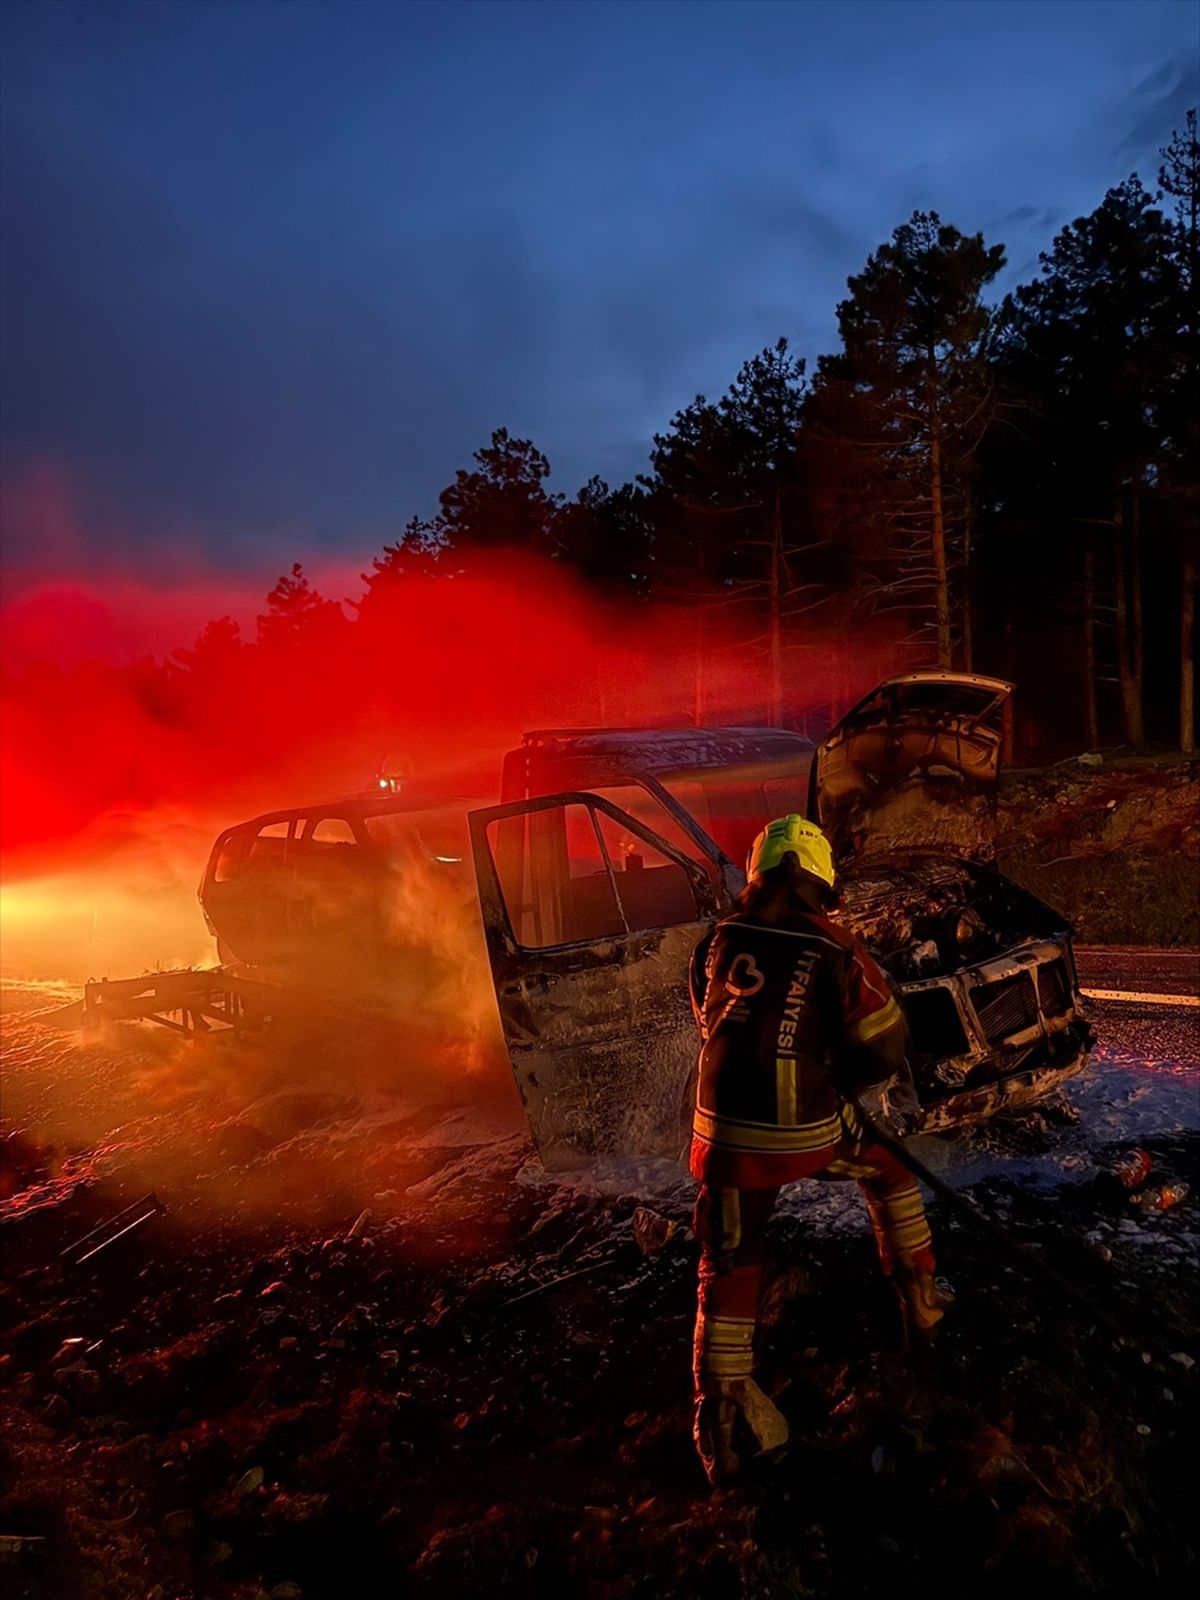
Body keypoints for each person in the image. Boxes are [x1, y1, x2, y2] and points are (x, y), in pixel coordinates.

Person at [688, 813, 949, 1485]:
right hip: (799, 1129)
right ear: (817, 879)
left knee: (727, 1261)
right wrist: (834, 1080)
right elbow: (886, 1043)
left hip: (718, 1133)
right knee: (889, 1168)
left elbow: (713, 1018)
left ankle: (721, 1421)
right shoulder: (833, 945)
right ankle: (920, 1304)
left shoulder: (716, 940)